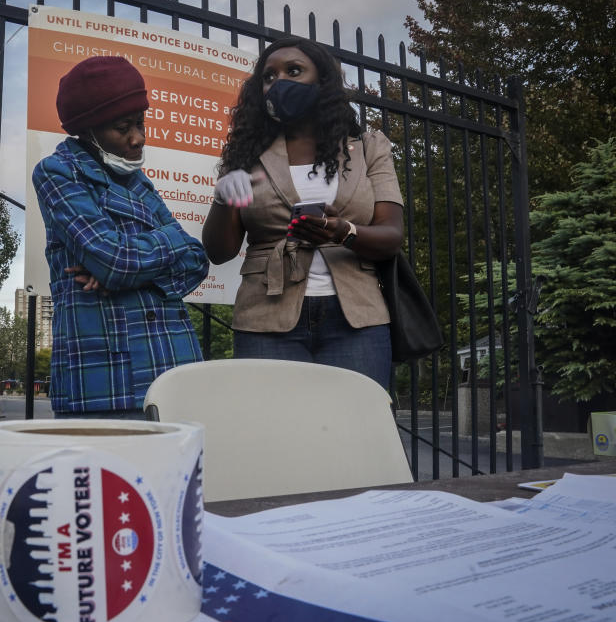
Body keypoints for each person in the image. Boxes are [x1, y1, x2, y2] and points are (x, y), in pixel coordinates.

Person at [202, 37, 404, 387]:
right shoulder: (246, 156)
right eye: (268, 76)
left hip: (357, 320)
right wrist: (223, 199)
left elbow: (391, 236)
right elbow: (219, 253)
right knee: (277, 434)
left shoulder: (368, 149)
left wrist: (343, 231)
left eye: (294, 71)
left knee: (354, 432)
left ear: (322, 81)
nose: (278, 81)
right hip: (266, 318)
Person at [32, 56, 209, 419]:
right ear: (89, 131)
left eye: (141, 123)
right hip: (104, 379)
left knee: (176, 476)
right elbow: (114, 261)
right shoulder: (57, 172)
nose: (138, 138)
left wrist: (128, 272)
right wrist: (169, 244)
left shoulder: (139, 181)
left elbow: (197, 260)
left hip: (173, 365)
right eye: (123, 127)